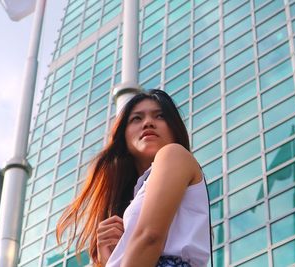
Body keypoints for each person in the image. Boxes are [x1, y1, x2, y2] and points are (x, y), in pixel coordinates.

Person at [56, 89, 212, 266]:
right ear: (124, 136)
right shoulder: (135, 194)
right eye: (137, 118)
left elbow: (150, 237)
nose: (148, 123)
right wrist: (112, 258)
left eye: (160, 116)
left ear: (174, 128)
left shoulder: (174, 154)